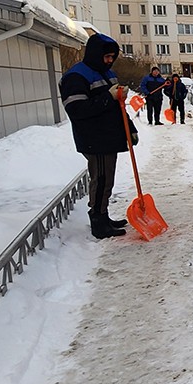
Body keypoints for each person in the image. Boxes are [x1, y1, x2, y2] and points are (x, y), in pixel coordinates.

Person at [59, 32, 138, 239]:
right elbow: (77, 110)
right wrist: (108, 96)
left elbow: (118, 107)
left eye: (112, 57)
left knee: (106, 179)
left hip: (108, 136)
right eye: (106, 57)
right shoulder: (76, 77)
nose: (110, 61)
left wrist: (130, 128)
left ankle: (104, 216)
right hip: (95, 138)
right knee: (101, 180)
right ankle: (98, 221)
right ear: (95, 54)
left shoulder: (107, 74)